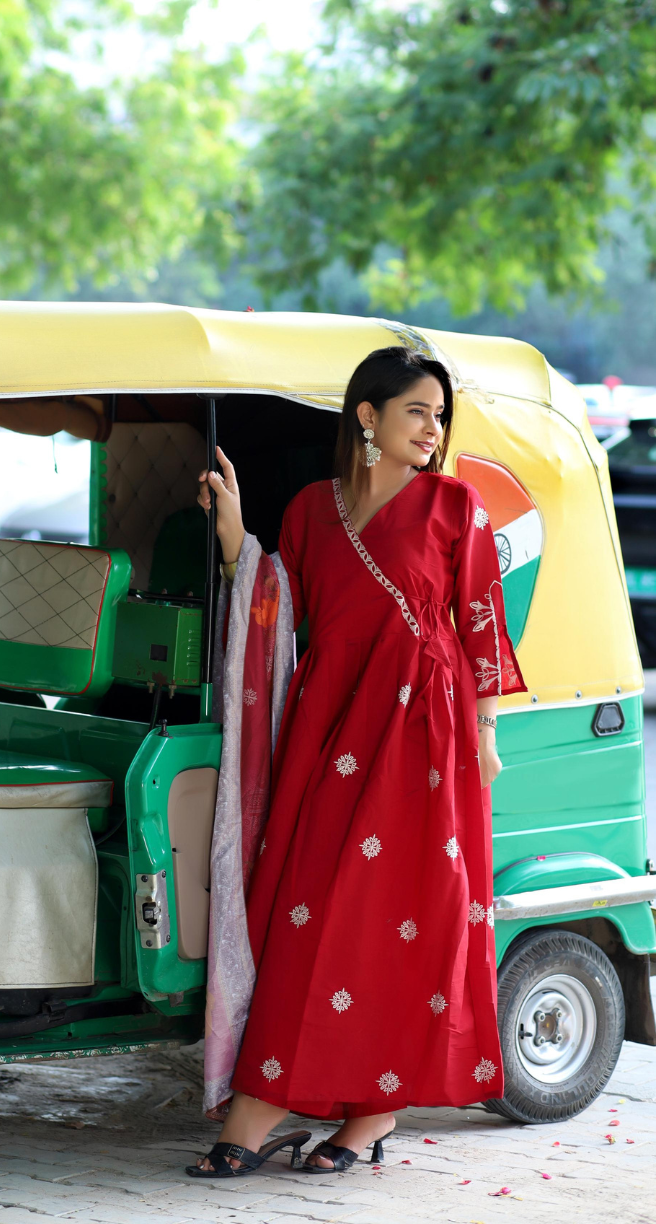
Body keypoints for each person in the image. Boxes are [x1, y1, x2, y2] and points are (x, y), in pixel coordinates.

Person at [187, 346, 526, 1178]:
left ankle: (369, 1119)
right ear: (368, 416)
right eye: (418, 410)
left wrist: (484, 735)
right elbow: (279, 609)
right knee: (305, 910)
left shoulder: (457, 507)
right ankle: (267, 1105)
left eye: (441, 415)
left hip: (426, 743)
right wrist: (237, 540)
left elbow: (481, 623)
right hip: (331, 729)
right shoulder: (310, 510)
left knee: (401, 918)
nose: (433, 429)